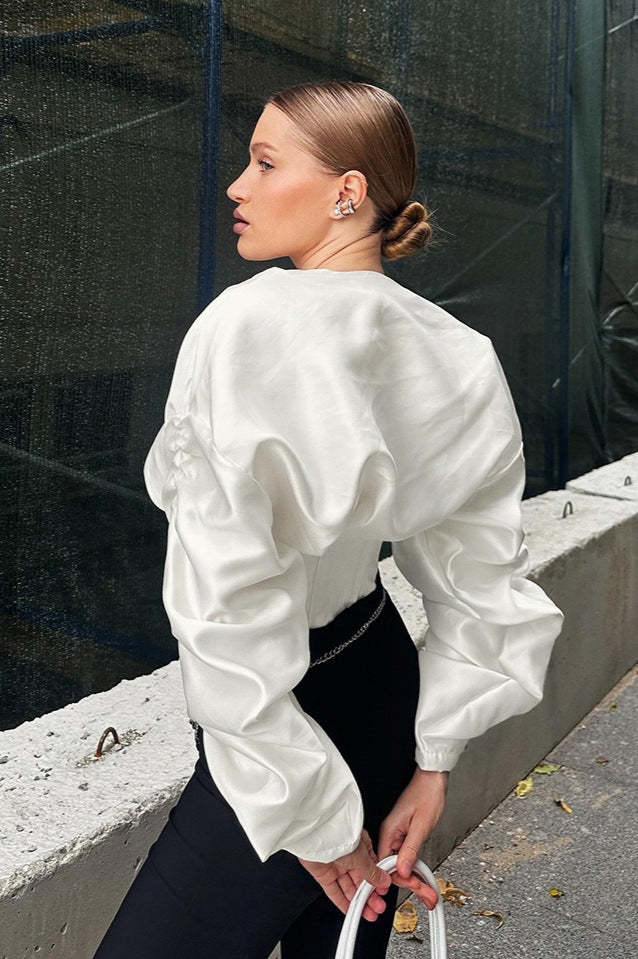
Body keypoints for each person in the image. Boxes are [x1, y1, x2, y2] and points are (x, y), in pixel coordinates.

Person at [94, 80, 564, 958]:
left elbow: (226, 606)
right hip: (382, 682)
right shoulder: (460, 353)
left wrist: (311, 812)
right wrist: (432, 760)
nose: (237, 185)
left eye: (266, 163)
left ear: (347, 191)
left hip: (276, 715)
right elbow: (480, 574)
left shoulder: (245, 326)